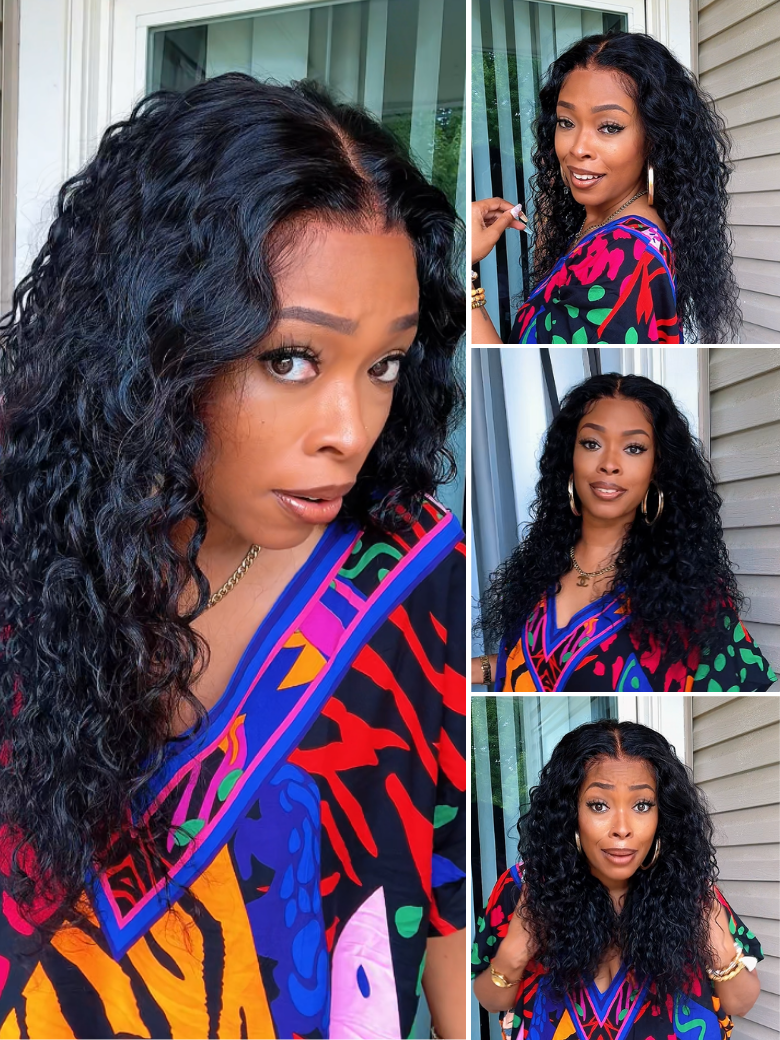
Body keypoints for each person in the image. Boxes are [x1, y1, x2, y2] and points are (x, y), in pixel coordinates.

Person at [0, 75, 467, 1040]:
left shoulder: (419, 585)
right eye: (290, 359)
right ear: (152, 346)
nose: (351, 431)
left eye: (384, 365)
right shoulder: (26, 552)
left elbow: (451, 916)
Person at [472, 374, 776, 692]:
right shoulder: (537, 569)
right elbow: (531, 665)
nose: (609, 464)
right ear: (570, 457)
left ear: (656, 468)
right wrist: (473, 669)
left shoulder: (692, 592)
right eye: (592, 443)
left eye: (634, 448)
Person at [472, 720, 762, 1040]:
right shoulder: (524, 889)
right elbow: (491, 1000)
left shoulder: (689, 888)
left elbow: (740, 1003)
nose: (622, 828)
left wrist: (719, 945)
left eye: (642, 805)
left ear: (662, 814)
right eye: (599, 805)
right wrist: (514, 952)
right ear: (570, 812)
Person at [471, 32, 740, 345]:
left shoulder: (624, 255)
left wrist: (464, 273)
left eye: (609, 127)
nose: (578, 148)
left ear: (655, 139)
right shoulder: (606, 223)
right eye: (566, 122)